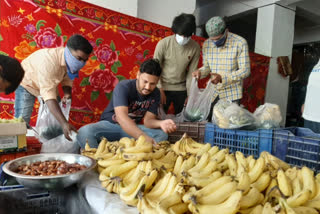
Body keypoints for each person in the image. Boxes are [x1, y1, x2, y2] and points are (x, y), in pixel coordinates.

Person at [76, 59, 177, 148]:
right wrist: (143, 137)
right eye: (145, 81)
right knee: (84, 132)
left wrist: (161, 123)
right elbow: (121, 118)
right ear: (138, 75)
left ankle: (137, 158)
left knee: (162, 135)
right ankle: (100, 158)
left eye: (152, 84)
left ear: (157, 82)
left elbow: (148, 121)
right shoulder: (124, 87)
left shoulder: (156, 93)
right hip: (111, 126)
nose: (147, 87)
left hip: (133, 129)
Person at [14, 34, 93, 140]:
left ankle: (48, 142)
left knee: (54, 119)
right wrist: (64, 123)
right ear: (68, 51)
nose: (81, 63)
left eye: (85, 60)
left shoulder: (69, 61)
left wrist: (67, 93)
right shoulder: (50, 62)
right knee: (21, 123)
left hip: (47, 82)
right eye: (79, 58)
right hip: (27, 82)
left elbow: (67, 77)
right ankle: (18, 149)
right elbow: (48, 96)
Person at [192, 16, 250, 121]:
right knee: (208, 122)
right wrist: (200, 72)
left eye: (218, 39)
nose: (215, 42)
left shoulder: (240, 43)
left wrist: (222, 77)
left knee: (228, 125)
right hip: (213, 93)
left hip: (232, 94)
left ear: (226, 31)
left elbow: (245, 70)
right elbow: (207, 67)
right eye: (212, 39)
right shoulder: (207, 44)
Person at [153, 13, 201, 115]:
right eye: (181, 35)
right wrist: (159, 88)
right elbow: (154, 68)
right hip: (163, 86)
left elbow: (191, 73)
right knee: (157, 117)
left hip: (181, 88)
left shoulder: (195, 47)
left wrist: (190, 94)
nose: (183, 38)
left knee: (184, 118)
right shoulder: (163, 44)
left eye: (187, 35)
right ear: (175, 31)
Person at [301, 59, 320, 133]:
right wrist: (305, 102)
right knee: (310, 142)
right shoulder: (317, 65)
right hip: (309, 114)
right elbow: (313, 86)